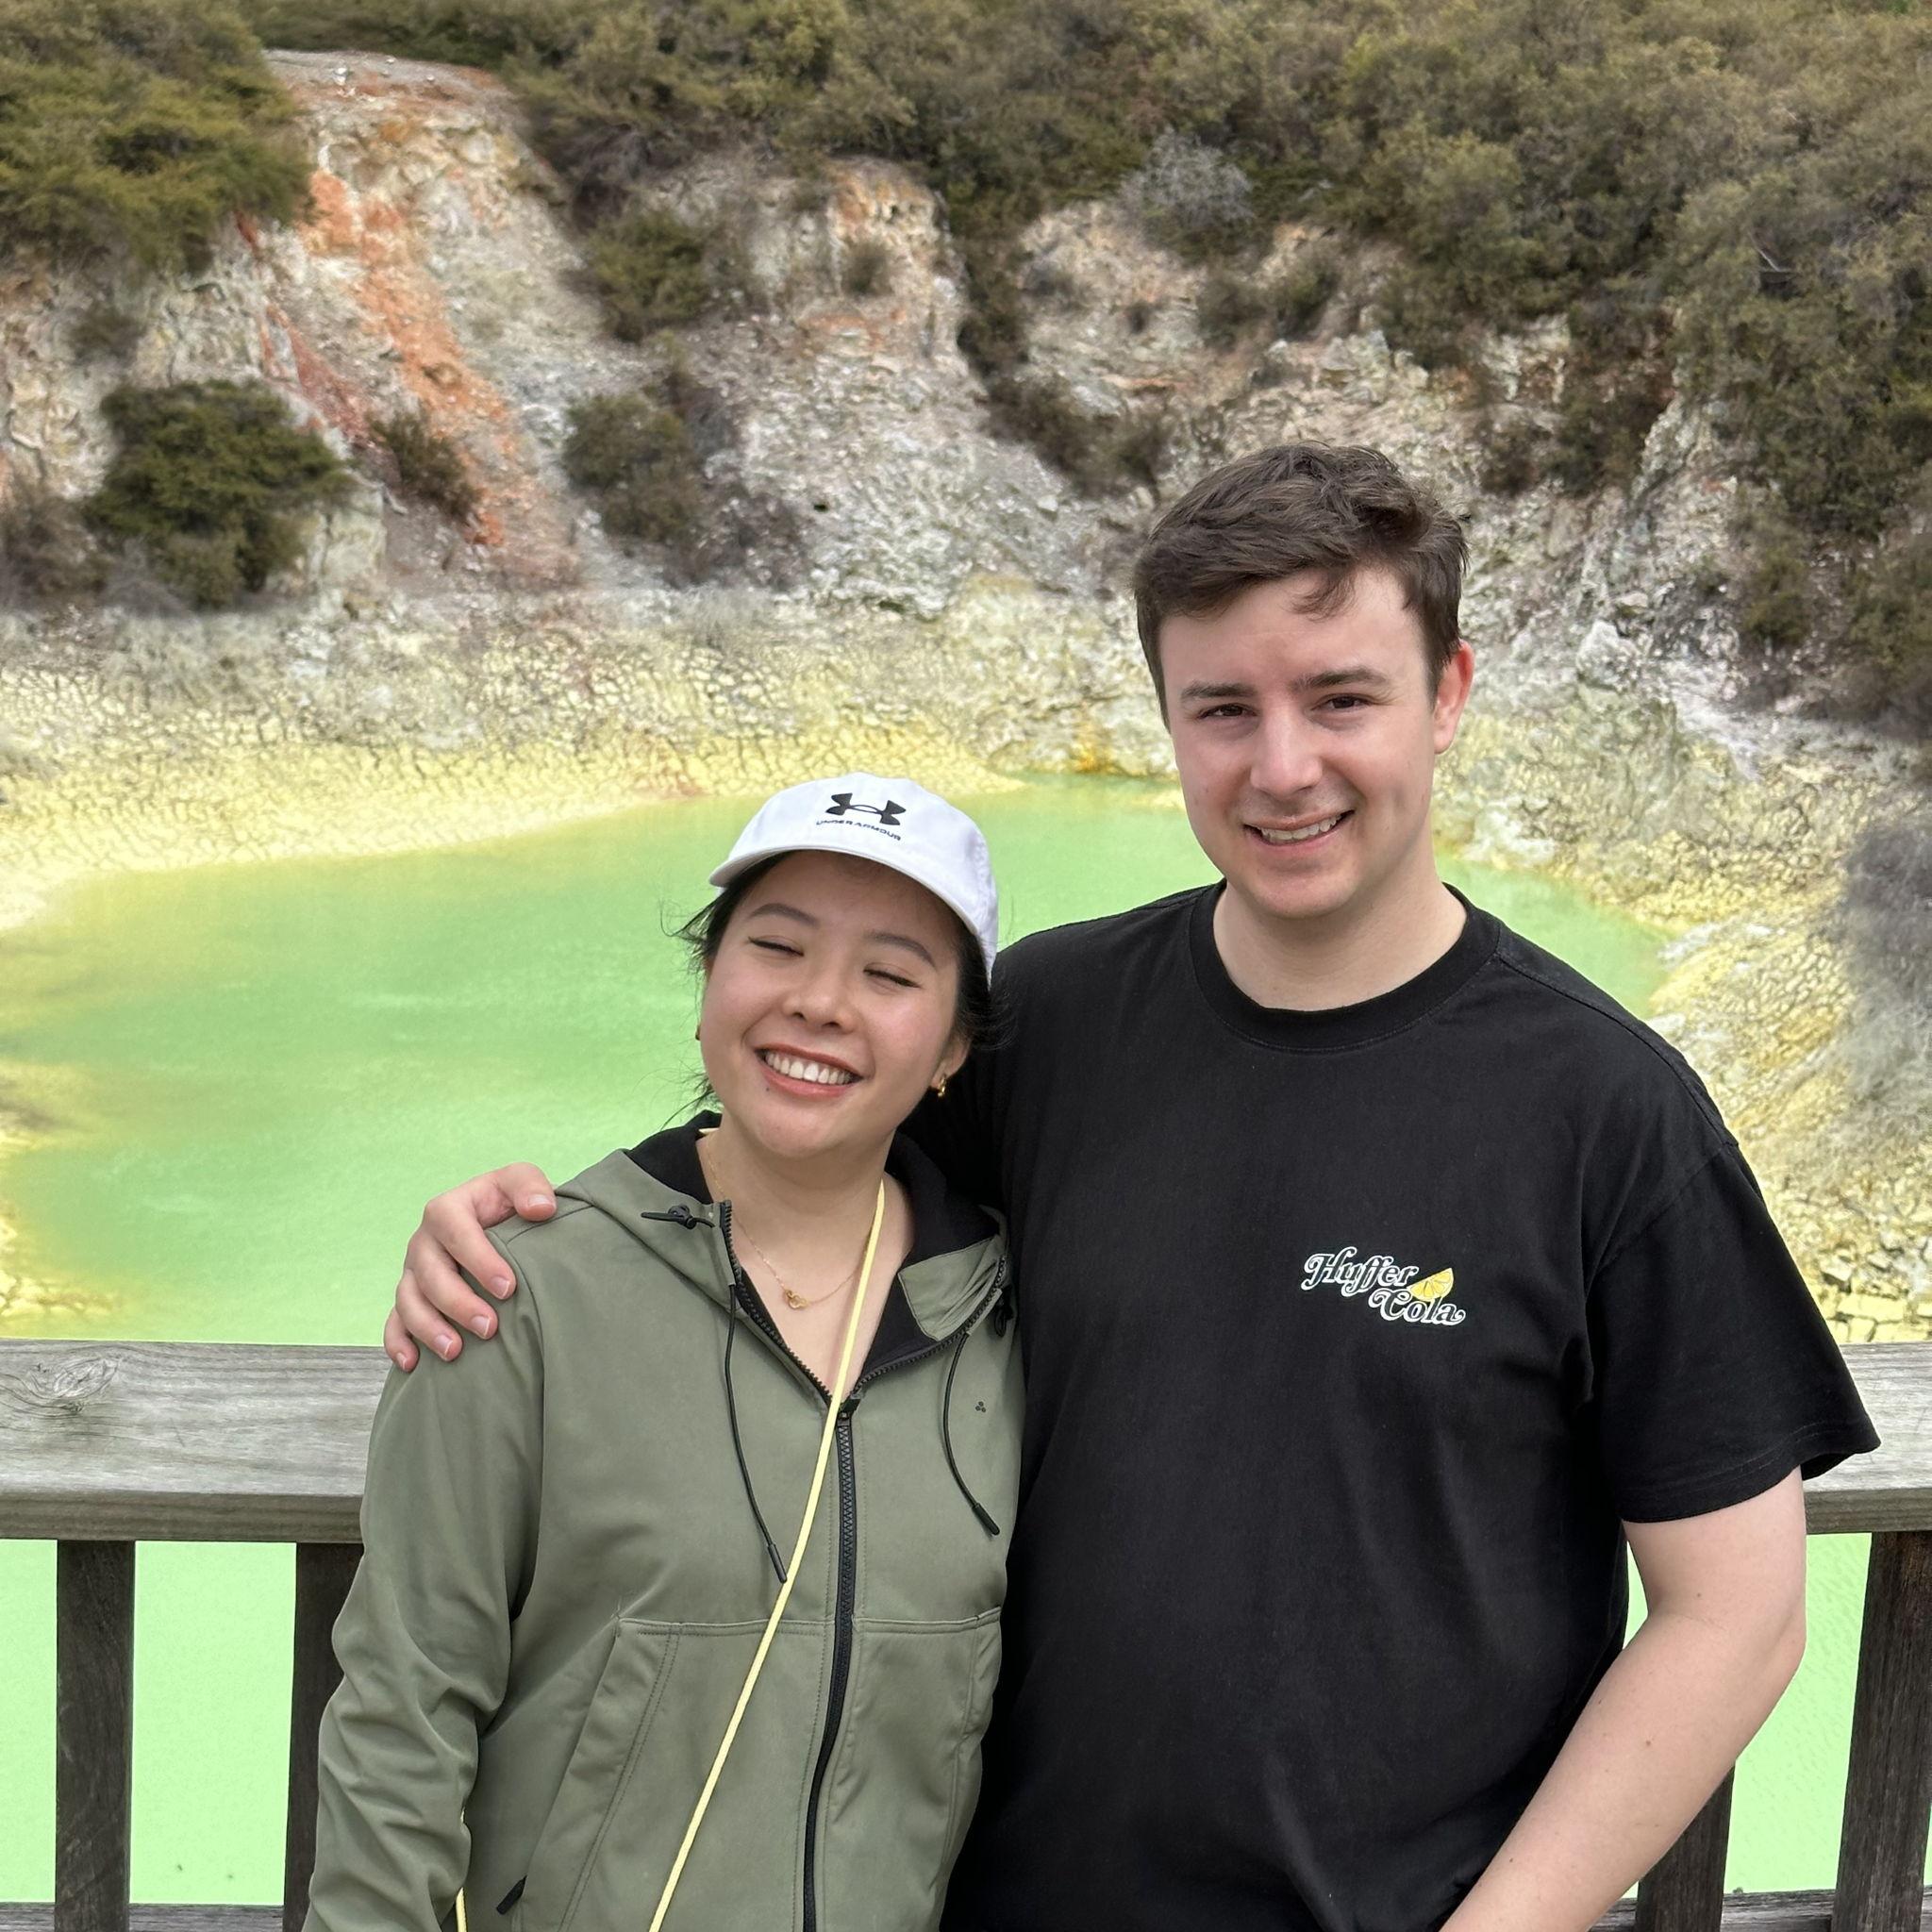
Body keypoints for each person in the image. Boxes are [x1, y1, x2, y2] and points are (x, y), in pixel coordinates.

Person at [382, 444, 1877, 1932]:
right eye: (1222, 709)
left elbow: (1736, 1615)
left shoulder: (1609, 1116)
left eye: (1341, 698)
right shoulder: (1058, 1018)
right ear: (1168, 719)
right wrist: (531, 1239)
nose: (1280, 766)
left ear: (1453, 693)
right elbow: (797, 1189)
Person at [305, 775, 1023, 1932]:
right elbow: (403, 1707)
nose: (820, 1002)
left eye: (889, 974)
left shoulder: (999, 1322)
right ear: (706, 986)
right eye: (776, 946)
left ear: (950, 1049)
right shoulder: (515, 1291)